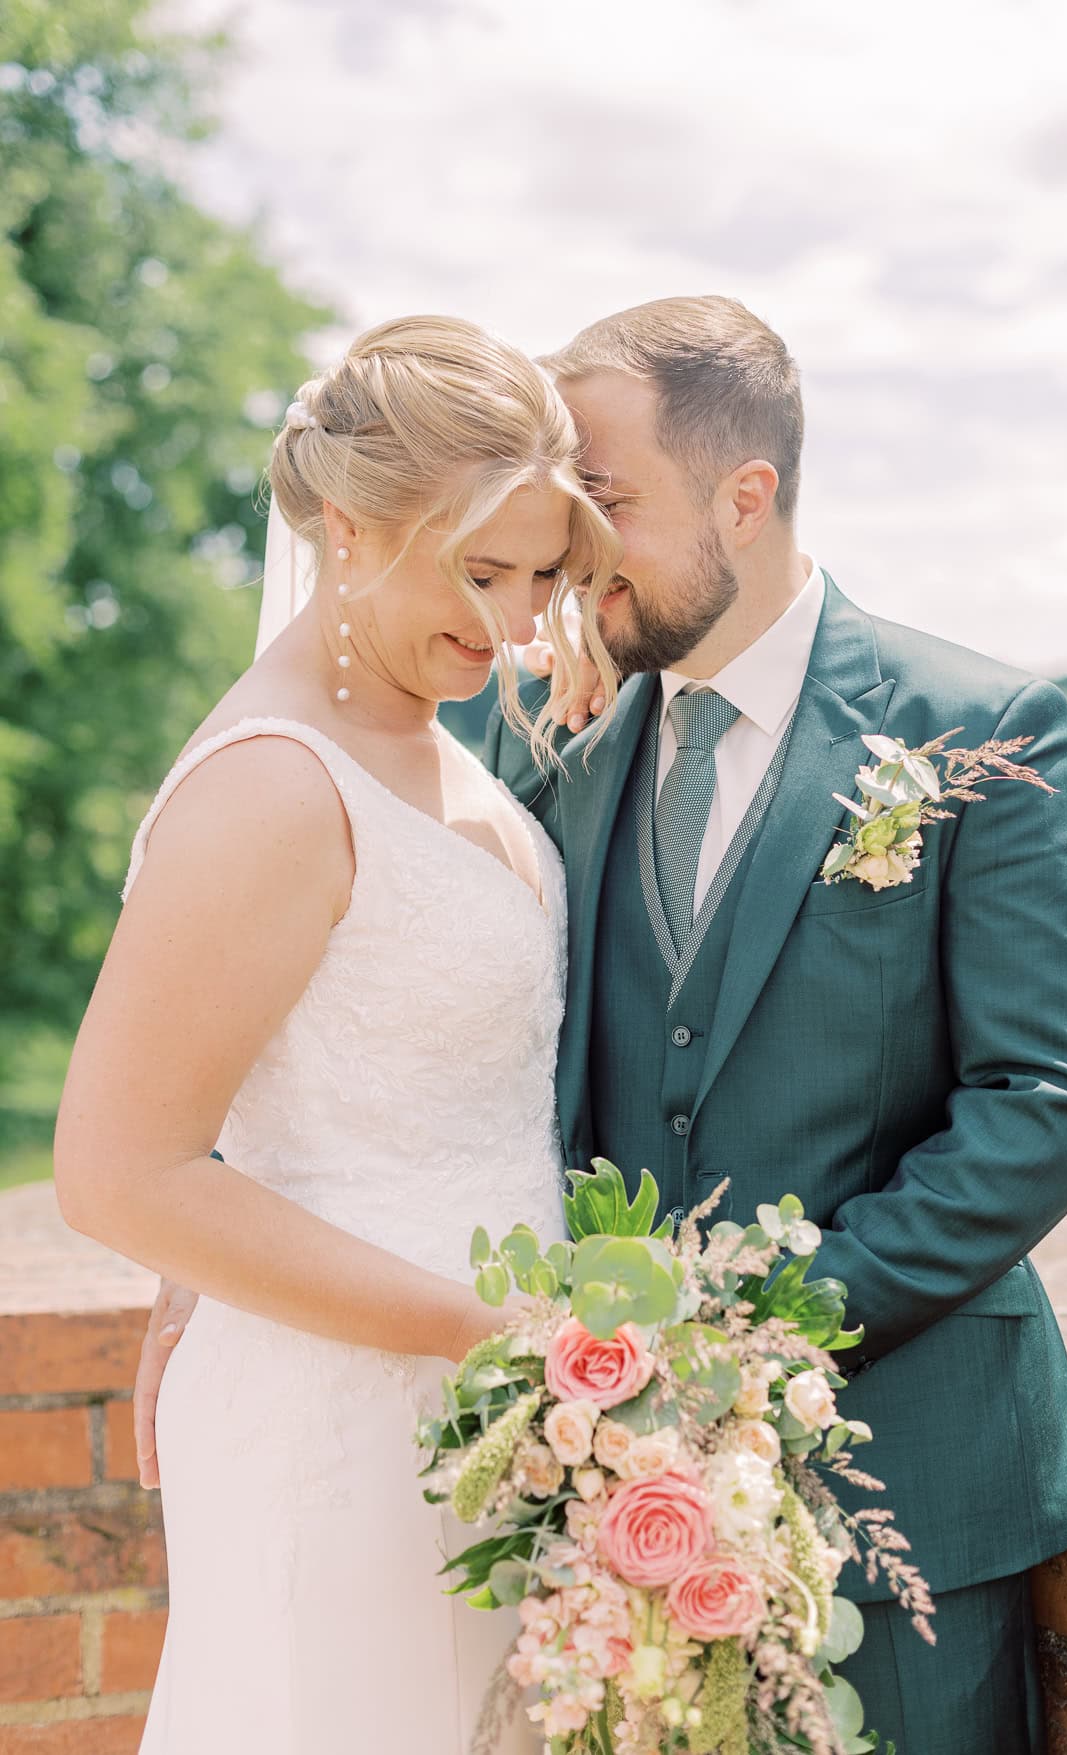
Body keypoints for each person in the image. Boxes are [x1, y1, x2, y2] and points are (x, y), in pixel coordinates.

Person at [133, 295, 1067, 1754]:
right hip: (602, 1502)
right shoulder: (556, 756)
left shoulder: (973, 726)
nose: (565, 559)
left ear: (745, 495)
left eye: (598, 505)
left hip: (908, 1483)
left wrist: (756, 1340)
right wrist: (219, 1211)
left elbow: (1050, 1096)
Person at [54, 314, 621, 1755]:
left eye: (542, 576)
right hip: (350, 1415)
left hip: (488, 1411)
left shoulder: (432, 744)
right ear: (352, 529)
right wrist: (497, 1336)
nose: (509, 621)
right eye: (477, 568)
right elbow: (118, 1173)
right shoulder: (272, 786)